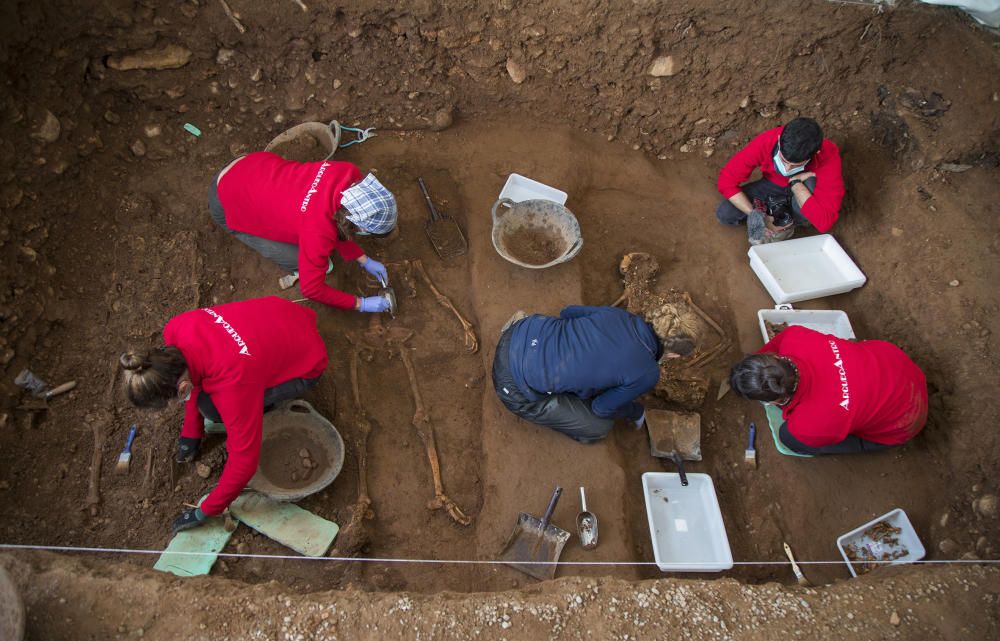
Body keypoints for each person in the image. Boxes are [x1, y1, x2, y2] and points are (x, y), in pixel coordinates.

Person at [119, 296, 329, 533]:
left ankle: (268, 403)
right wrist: (191, 432)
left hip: (308, 363)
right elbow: (195, 371)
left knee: (212, 409)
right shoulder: (177, 327)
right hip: (287, 313)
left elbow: (244, 463)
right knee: (208, 400)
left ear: (182, 389)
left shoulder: (233, 387)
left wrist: (206, 510)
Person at [209, 151, 397, 313]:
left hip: (250, 164)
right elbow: (311, 289)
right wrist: (360, 304)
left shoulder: (347, 171)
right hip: (224, 198)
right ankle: (240, 228)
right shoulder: (318, 233)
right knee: (297, 258)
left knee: (305, 219)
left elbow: (337, 213)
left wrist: (363, 259)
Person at [491, 306, 695, 443]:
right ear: (675, 355)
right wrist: (635, 411)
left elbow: (567, 311)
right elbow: (601, 408)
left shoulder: (620, 315)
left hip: (520, 331)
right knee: (598, 427)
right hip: (513, 385)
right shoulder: (648, 373)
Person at [728, 325, 927, 455]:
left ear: (774, 402)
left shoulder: (808, 425)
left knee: (789, 438)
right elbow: (773, 347)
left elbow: (803, 423)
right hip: (897, 365)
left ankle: (866, 444)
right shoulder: (795, 337)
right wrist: (753, 373)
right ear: (776, 358)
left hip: (907, 418)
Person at [715, 117, 845, 242]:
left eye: (796, 165)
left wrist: (796, 183)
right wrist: (756, 215)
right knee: (725, 213)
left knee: (811, 183)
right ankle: (777, 217)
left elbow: (825, 222)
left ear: (816, 153)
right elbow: (726, 181)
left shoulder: (828, 155)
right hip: (771, 185)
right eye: (784, 160)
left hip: (802, 191)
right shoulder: (767, 140)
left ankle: (793, 222)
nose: (787, 169)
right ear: (778, 140)